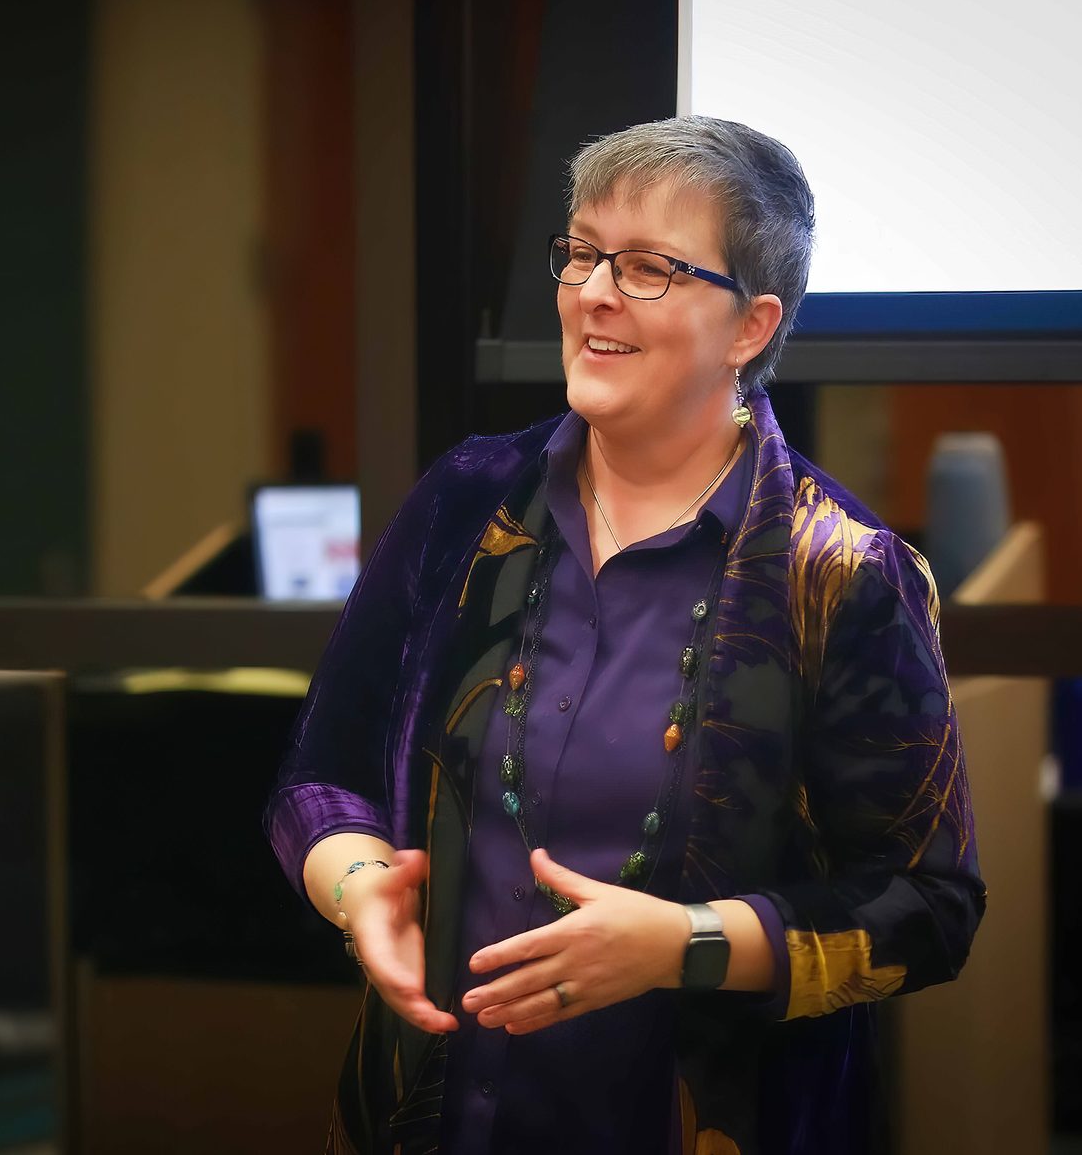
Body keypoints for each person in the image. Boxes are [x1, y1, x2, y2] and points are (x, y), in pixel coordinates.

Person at [264, 115, 983, 1155]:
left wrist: (683, 945)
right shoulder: (468, 499)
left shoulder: (843, 572)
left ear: (750, 326)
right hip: (429, 1114)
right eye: (583, 252)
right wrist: (361, 890)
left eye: (647, 267)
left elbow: (930, 902)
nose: (594, 292)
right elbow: (318, 779)